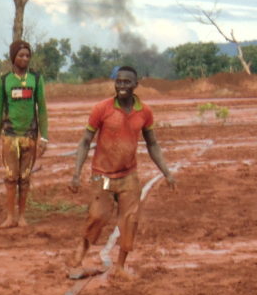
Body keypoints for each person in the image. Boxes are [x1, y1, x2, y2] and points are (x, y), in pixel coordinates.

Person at [67, 65, 176, 279]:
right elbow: (85, 141)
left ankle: (120, 267)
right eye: (119, 81)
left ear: (136, 85)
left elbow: (152, 144)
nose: (122, 86)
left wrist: (166, 172)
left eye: (127, 82)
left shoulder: (144, 112)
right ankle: (76, 259)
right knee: (98, 216)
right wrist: (76, 173)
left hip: (128, 177)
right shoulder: (102, 109)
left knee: (130, 219)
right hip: (103, 176)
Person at [0, 40, 49, 228]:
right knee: (10, 177)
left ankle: (22, 216)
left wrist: (44, 137)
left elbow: (42, 109)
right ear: (13, 57)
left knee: (25, 177)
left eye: (27, 55)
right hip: (10, 136)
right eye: (21, 55)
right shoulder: (4, 80)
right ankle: (10, 217)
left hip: (30, 136)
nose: (25, 59)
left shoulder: (36, 79)